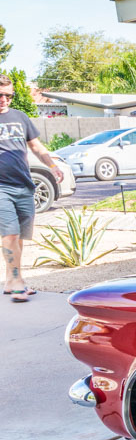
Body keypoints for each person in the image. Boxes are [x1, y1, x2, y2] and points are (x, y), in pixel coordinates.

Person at [0, 74, 62, 303]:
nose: (4, 99)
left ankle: (11, 280)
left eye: (9, 95)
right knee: (10, 233)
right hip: (1, 188)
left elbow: (36, 146)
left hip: (24, 185)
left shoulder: (20, 117)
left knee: (20, 237)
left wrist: (53, 166)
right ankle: (17, 282)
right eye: (0, 95)